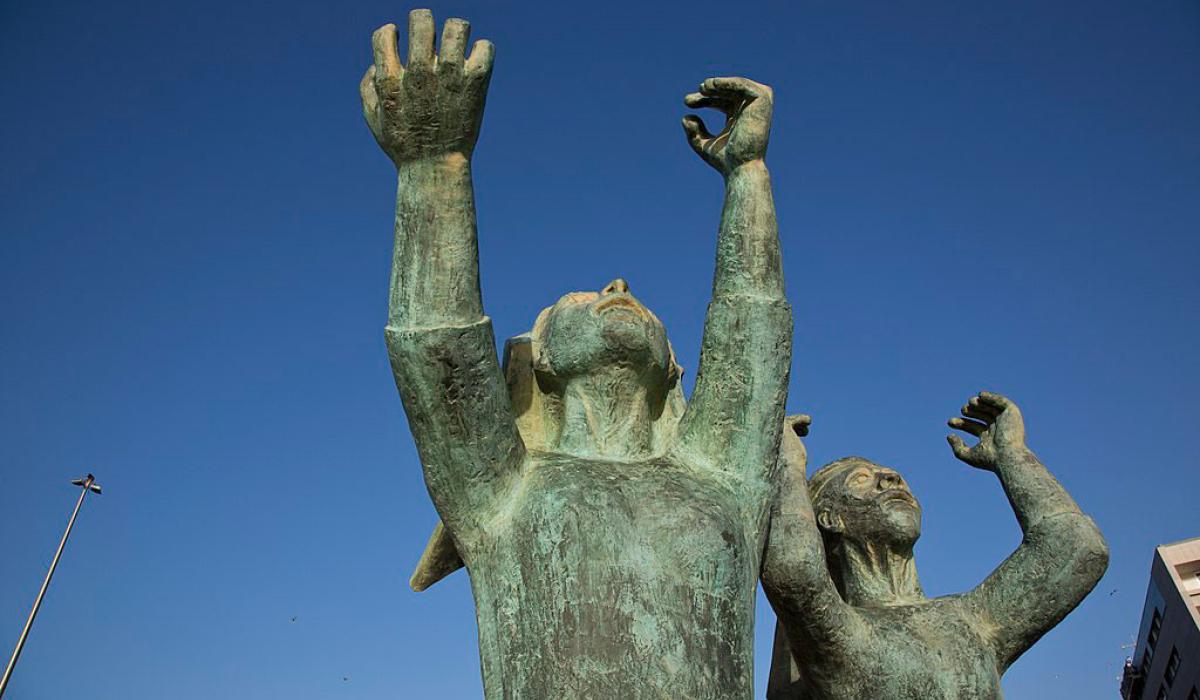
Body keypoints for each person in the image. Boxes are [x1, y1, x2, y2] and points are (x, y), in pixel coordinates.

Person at [360, 10, 792, 698]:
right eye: (581, 297)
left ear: (674, 370)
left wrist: (748, 178)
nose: (618, 287)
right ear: (544, 362)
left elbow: (752, 337)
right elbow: (439, 352)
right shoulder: (504, 489)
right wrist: (433, 168)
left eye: (634, 300)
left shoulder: (721, 478)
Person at [762, 392, 1109, 699]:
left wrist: (1012, 456)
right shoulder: (841, 632)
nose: (890, 479)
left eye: (892, 474)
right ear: (828, 519)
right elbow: (794, 574)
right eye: (862, 480)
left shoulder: (970, 621)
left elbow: (1077, 546)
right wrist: (789, 469)